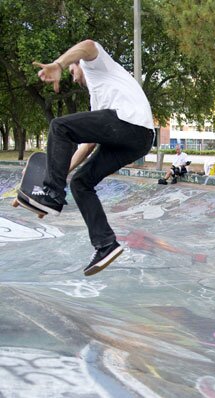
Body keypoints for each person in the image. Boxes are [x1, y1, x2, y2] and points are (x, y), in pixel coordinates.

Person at [31, 40, 155, 276]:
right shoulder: (97, 101)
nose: (74, 77)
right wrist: (59, 178)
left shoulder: (96, 66)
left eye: (72, 71)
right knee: (81, 183)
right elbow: (86, 146)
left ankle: (52, 195)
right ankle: (105, 244)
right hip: (137, 141)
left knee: (58, 127)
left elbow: (88, 45)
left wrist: (59, 64)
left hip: (129, 123)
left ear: (78, 64)